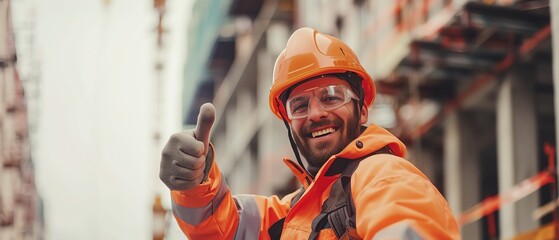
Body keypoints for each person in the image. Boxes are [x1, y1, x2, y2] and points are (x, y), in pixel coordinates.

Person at [159, 27, 460, 239]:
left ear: (363, 110)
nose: (315, 114)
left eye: (331, 97)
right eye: (299, 105)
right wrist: (196, 183)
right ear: (288, 122)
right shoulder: (292, 213)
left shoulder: (382, 176)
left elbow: (404, 219)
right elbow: (224, 228)